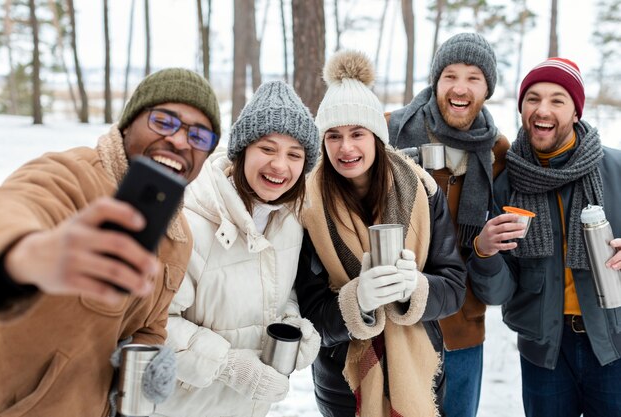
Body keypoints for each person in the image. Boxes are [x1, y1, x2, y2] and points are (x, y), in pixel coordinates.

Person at [0, 68, 221, 416]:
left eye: (199, 136)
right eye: (164, 122)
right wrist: (29, 256)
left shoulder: (178, 235)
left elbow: (151, 323)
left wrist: (148, 354)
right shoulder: (71, 175)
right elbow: (14, 208)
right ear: (128, 124)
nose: (179, 141)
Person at [295, 49, 467, 417]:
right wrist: (356, 302)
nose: (346, 148)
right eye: (334, 136)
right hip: (346, 385)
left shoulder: (421, 191)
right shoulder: (307, 206)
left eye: (357, 133)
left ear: (376, 136)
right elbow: (310, 314)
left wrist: (417, 289)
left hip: (419, 370)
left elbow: (453, 286)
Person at [152, 80, 322, 417]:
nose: (280, 165)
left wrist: (292, 324)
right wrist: (228, 365)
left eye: (294, 154)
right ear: (242, 150)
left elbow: (277, 289)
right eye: (268, 148)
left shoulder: (289, 220)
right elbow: (153, 324)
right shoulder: (187, 220)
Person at [469, 57, 621, 417]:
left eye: (557, 99)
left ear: (576, 111)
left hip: (613, 344)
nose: (543, 109)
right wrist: (485, 251)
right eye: (533, 98)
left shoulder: (616, 169)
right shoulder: (506, 183)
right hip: (544, 351)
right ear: (521, 107)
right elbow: (498, 292)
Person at [387, 32, 510, 417]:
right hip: (399, 320)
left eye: (473, 77)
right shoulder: (389, 131)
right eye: (450, 75)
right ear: (435, 81)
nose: (460, 87)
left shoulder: (498, 151)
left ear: (487, 88)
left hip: (462, 326)